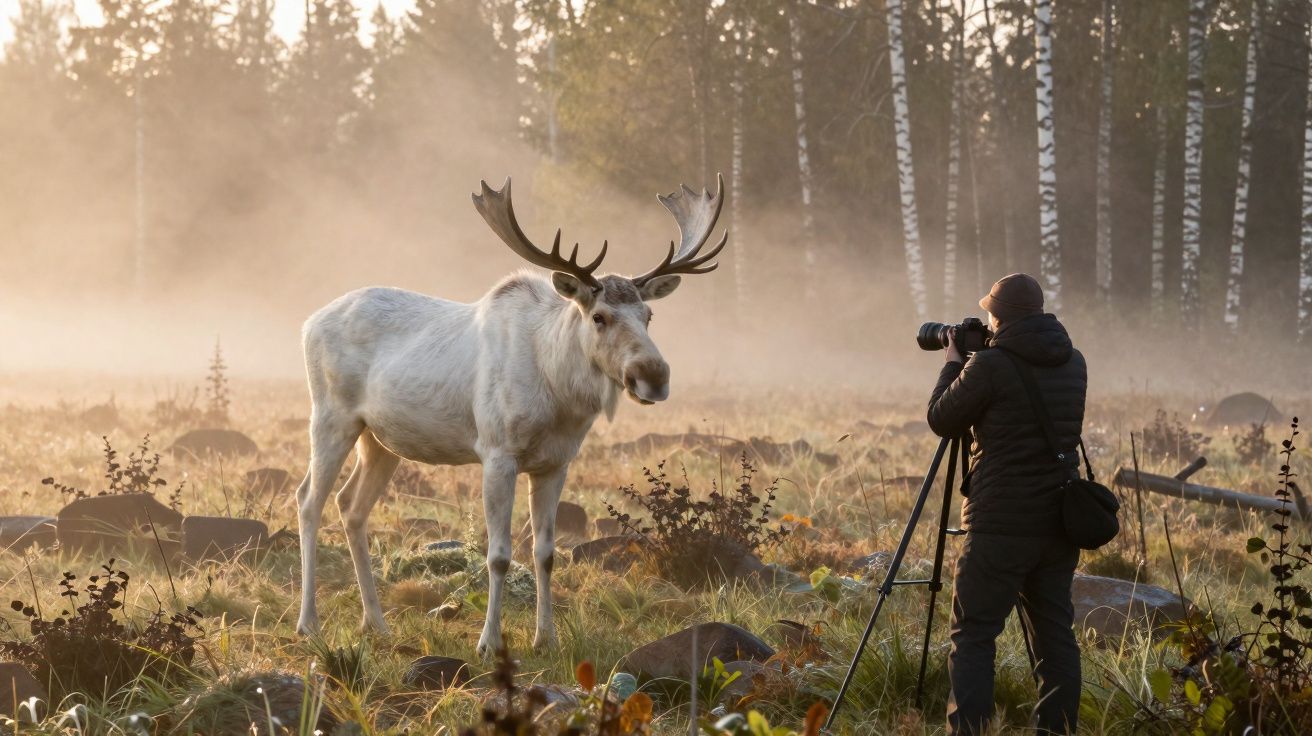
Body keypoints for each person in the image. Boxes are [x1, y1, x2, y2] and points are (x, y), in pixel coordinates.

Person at [927, 273, 1087, 735]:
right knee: (1055, 638)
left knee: (974, 636)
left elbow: (942, 418)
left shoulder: (991, 367)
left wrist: (955, 362)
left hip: (999, 524)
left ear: (1002, 317)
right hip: (1058, 524)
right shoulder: (1074, 361)